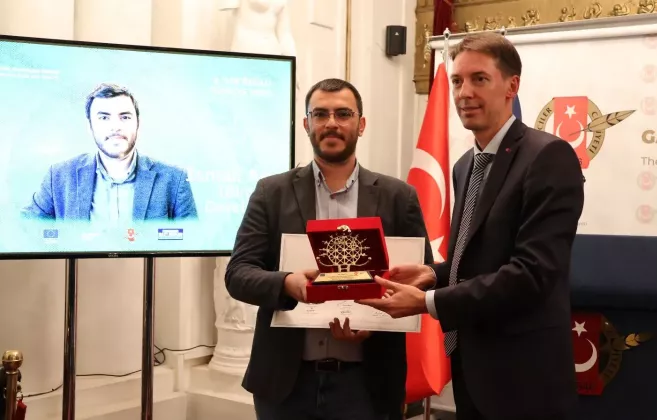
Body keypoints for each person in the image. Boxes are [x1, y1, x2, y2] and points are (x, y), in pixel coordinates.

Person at [357, 32, 585, 420]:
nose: (464, 93)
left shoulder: (548, 156)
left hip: (524, 380)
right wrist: (433, 273)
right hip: (472, 370)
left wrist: (427, 302)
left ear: (512, 86)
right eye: (457, 81)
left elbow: (531, 274)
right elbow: (481, 259)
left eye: (479, 79)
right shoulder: (466, 165)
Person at [224, 78, 433, 420]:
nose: (331, 123)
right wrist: (287, 284)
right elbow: (238, 275)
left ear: (361, 124)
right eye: (320, 114)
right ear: (307, 124)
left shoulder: (399, 197)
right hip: (286, 385)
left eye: (343, 114)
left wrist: (375, 321)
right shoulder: (270, 193)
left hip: (367, 385)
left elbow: (422, 279)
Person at [21, 83, 198, 222]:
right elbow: (26, 228)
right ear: (90, 126)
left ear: (138, 123)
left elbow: (192, 241)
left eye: (125, 117)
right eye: (104, 117)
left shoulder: (174, 179)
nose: (115, 126)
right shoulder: (59, 176)